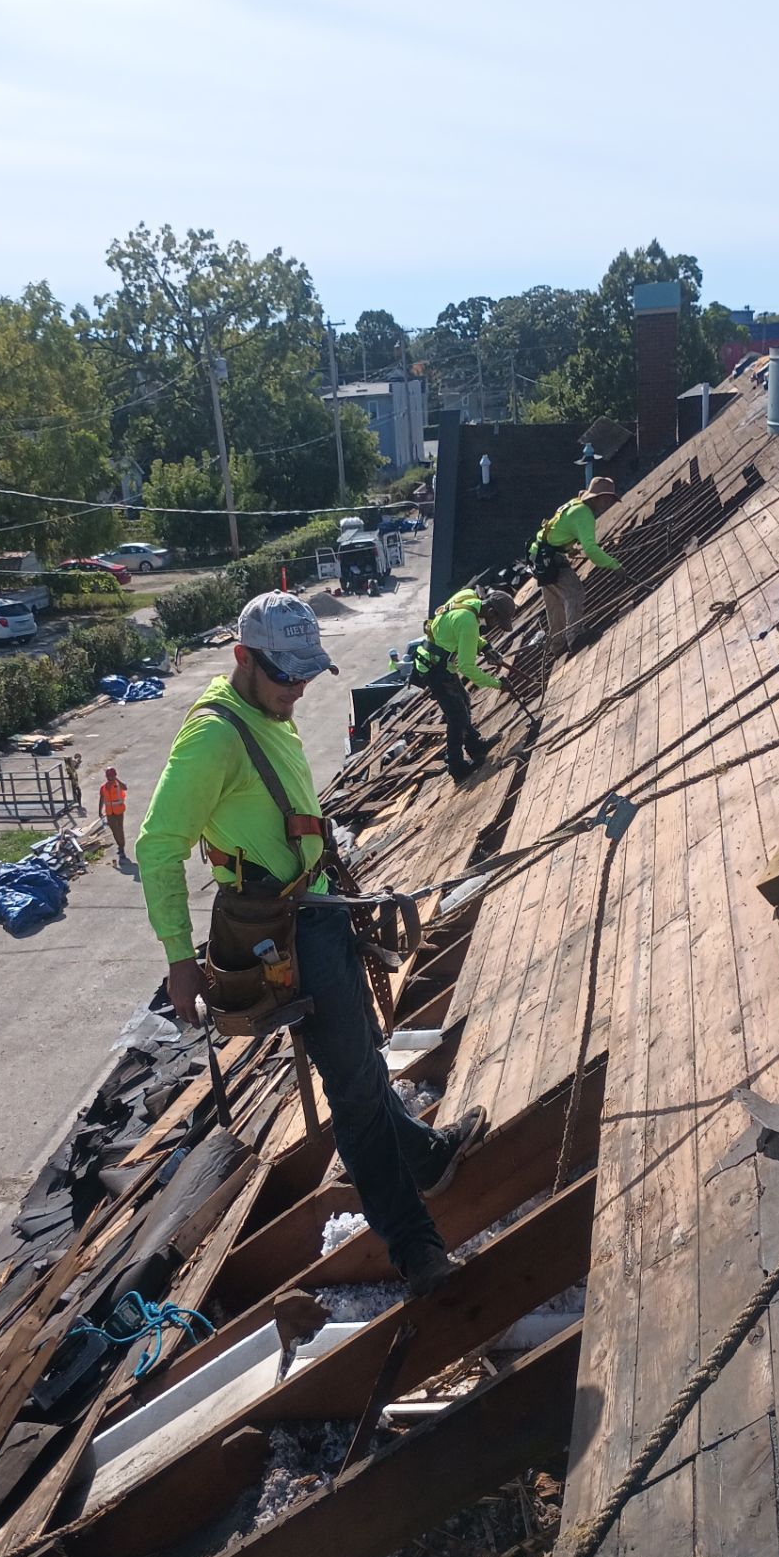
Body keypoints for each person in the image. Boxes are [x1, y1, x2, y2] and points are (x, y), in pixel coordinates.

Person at [137, 592, 487, 1296]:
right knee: (353, 1089)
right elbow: (156, 847)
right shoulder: (213, 738)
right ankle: (415, 1250)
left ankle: (422, 1158)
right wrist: (179, 957)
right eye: (285, 677)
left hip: (317, 907)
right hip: (283, 931)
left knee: (361, 1055)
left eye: (304, 676)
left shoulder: (264, 711)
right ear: (243, 659)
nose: (296, 691)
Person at [411, 587, 514, 782]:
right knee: (456, 715)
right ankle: (456, 767)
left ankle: (475, 746)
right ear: (491, 611)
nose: (493, 625)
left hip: (437, 661)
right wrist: (497, 684)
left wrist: (485, 647)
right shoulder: (468, 623)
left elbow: (457, 630)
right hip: (434, 669)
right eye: (496, 621)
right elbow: (467, 668)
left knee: (464, 702)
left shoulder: (467, 598)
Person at [529, 474, 622, 653]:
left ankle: (558, 644)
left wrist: (567, 549)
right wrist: (614, 565)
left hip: (538, 555)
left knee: (555, 600)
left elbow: (557, 531)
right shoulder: (584, 515)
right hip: (549, 558)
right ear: (597, 498)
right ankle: (575, 638)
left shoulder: (575, 504)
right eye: (607, 500)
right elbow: (591, 550)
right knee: (574, 593)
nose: (607, 505)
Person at [99, 766, 128, 858]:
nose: (110, 778)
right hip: (109, 812)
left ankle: (121, 847)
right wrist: (99, 811)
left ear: (115, 776)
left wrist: (116, 780)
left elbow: (125, 788)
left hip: (119, 810)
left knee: (119, 829)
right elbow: (101, 799)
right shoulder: (103, 787)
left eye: (111, 776)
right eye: (108, 776)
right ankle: (119, 845)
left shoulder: (119, 785)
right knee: (114, 830)